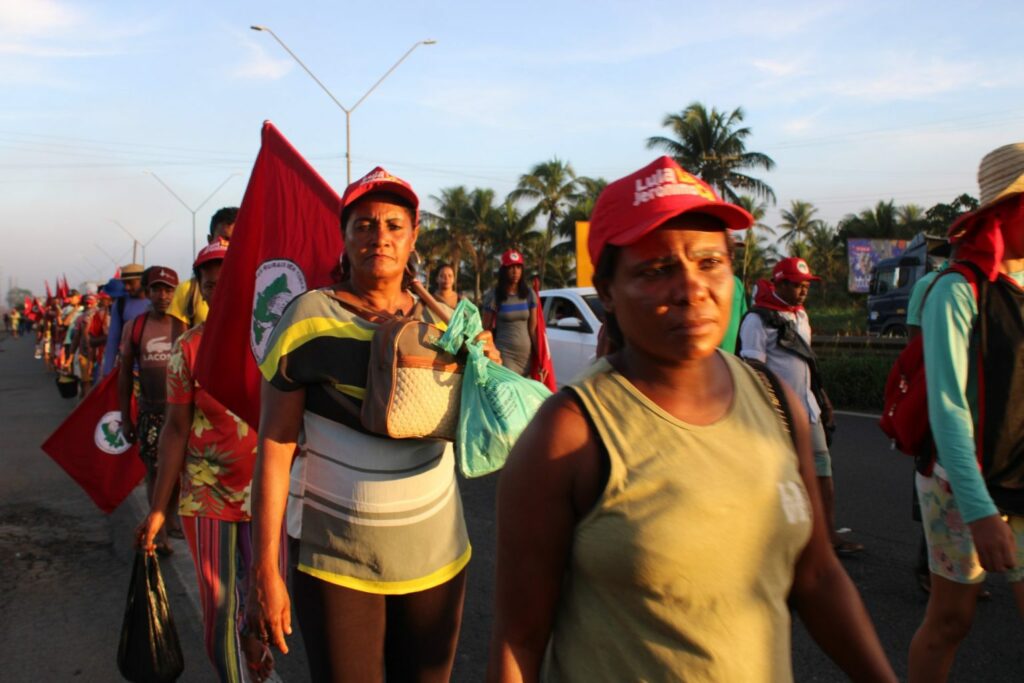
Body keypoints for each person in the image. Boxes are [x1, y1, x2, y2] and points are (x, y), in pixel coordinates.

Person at [488, 157, 896, 682]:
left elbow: (815, 575)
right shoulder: (569, 435)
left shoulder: (773, 401)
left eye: (709, 262)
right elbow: (518, 641)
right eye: (655, 271)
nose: (691, 288)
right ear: (608, 291)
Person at [246, 166, 499, 682]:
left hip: (438, 554)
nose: (378, 237)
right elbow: (274, 446)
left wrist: (486, 373)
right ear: (344, 237)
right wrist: (264, 570)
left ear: (413, 237)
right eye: (363, 225)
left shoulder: (447, 324)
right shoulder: (306, 318)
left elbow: (485, 434)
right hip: (336, 561)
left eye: (392, 225)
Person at [908, 143, 1024, 682]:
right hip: (961, 481)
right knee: (952, 619)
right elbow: (948, 407)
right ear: (1005, 211)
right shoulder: (955, 290)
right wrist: (980, 511)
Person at [136, 242, 272, 682]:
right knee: (220, 607)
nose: (217, 286)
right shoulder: (188, 350)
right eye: (208, 281)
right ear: (201, 290)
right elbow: (176, 430)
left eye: (225, 277)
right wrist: (160, 508)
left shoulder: (272, 343)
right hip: (206, 494)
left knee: (263, 601)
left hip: (267, 493)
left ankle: (255, 659)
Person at [739, 257, 864, 556]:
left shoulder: (801, 317)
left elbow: (807, 363)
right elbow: (754, 369)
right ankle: (774, 538)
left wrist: (821, 398)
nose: (803, 291)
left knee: (822, 471)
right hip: (777, 414)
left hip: (809, 410)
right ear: (779, 283)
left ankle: (827, 535)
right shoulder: (759, 319)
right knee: (779, 477)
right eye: (796, 285)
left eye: (806, 285)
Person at [121, 266, 186, 554]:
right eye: (157, 289)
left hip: (178, 413)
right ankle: (158, 534)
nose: (163, 295)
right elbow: (124, 373)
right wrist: (126, 416)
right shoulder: (135, 327)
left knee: (176, 472)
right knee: (153, 471)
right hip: (149, 411)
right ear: (147, 292)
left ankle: (169, 518)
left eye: (168, 289)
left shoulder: (182, 327)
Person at [169, 207, 238, 328]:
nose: (231, 246)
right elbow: (182, 343)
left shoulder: (260, 285)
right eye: (226, 239)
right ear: (210, 240)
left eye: (239, 240)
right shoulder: (188, 290)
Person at [482, 249, 538, 376]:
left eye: (518, 267)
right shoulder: (495, 296)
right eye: (511, 267)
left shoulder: (529, 294)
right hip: (505, 353)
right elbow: (486, 328)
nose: (515, 271)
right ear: (503, 270)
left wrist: (540, 356)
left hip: (526, 356)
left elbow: (533, 330)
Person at [101, 264, 149, 377]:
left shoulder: (157, 302)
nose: (127, 288)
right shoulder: (120, 304)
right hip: (130, 372)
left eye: (131, 283)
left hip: (157, 370)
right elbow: (113, 339)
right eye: (124, 284)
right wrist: (107, 372)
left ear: (142, 281)